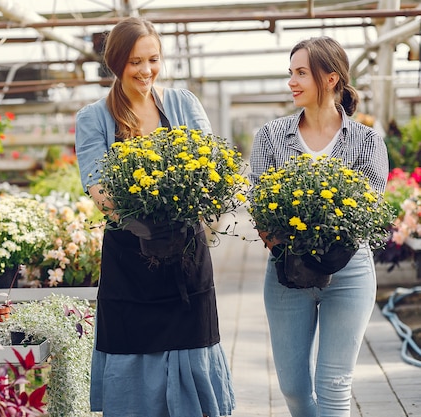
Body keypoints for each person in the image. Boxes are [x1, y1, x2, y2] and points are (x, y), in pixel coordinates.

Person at [75, 16, 235, 417]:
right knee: (133, 354)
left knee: (192, 351)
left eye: (153, 59)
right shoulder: (93, 118)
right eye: (134, 62)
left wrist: (185, 210)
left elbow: (209, 168)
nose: (146, 71)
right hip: (130, 259)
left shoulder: (184, 104)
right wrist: (146, 220)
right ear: (115, 63)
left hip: (186, 256)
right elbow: (98, 187)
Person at [248, 36, 389, 416]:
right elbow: (259, 204)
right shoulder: (270, 136)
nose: (291, 82)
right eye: (290, 73)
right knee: (293, 388)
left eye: (301, 73)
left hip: (349, 271)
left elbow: (369, 208)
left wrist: (327, 248)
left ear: (330, 79)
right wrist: (283, 247)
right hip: (286, 271)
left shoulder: (366, 141)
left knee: (334, 384)